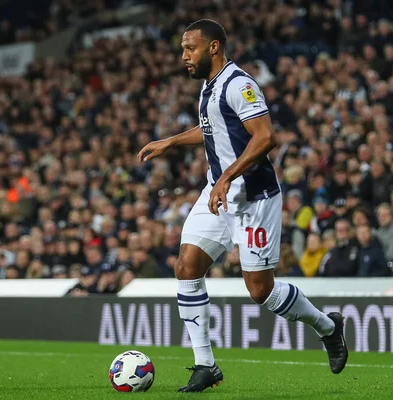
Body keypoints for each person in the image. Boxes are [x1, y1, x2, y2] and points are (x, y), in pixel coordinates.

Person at [137, 19, 347, 393]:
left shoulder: (239, 84)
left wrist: (226, 177)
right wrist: (170, 141)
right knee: (186, 265)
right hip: (218, 192)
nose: (184, 56)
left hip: (254, 197)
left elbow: (266, 137)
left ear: (214, 47)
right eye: (183, 49)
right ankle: (205, 365)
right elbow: (212, 129)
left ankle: (328, 327)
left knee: (260, 291)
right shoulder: (208, 87)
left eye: (191, 48)